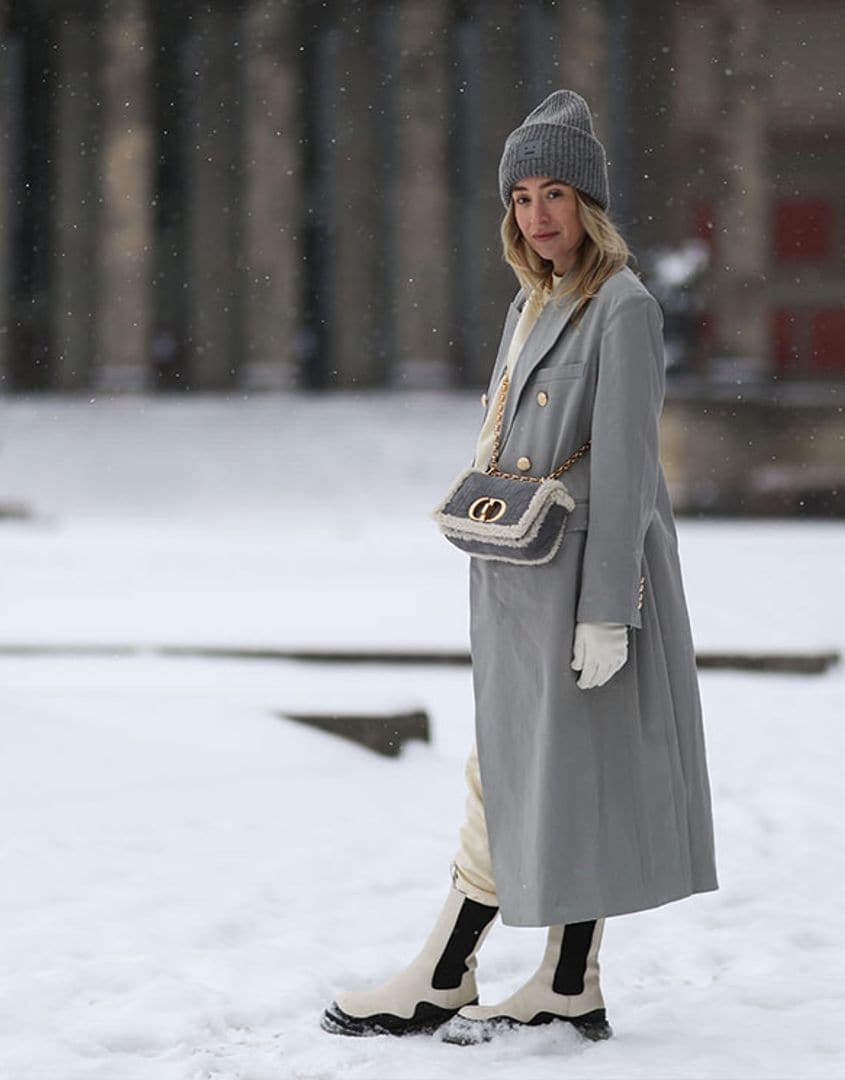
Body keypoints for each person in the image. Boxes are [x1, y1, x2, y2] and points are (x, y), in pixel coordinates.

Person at [322, 88, 717, 1045]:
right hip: (521, 573)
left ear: (592, 203)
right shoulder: (533, 297)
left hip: (582, 582)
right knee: (552, 774)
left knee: (518, 773)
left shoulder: (620, 308)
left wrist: (607, 610)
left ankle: (444, 972)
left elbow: (625, 468)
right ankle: (567, 981)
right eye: (523, 197)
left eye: (556, 194)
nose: (538, 215)